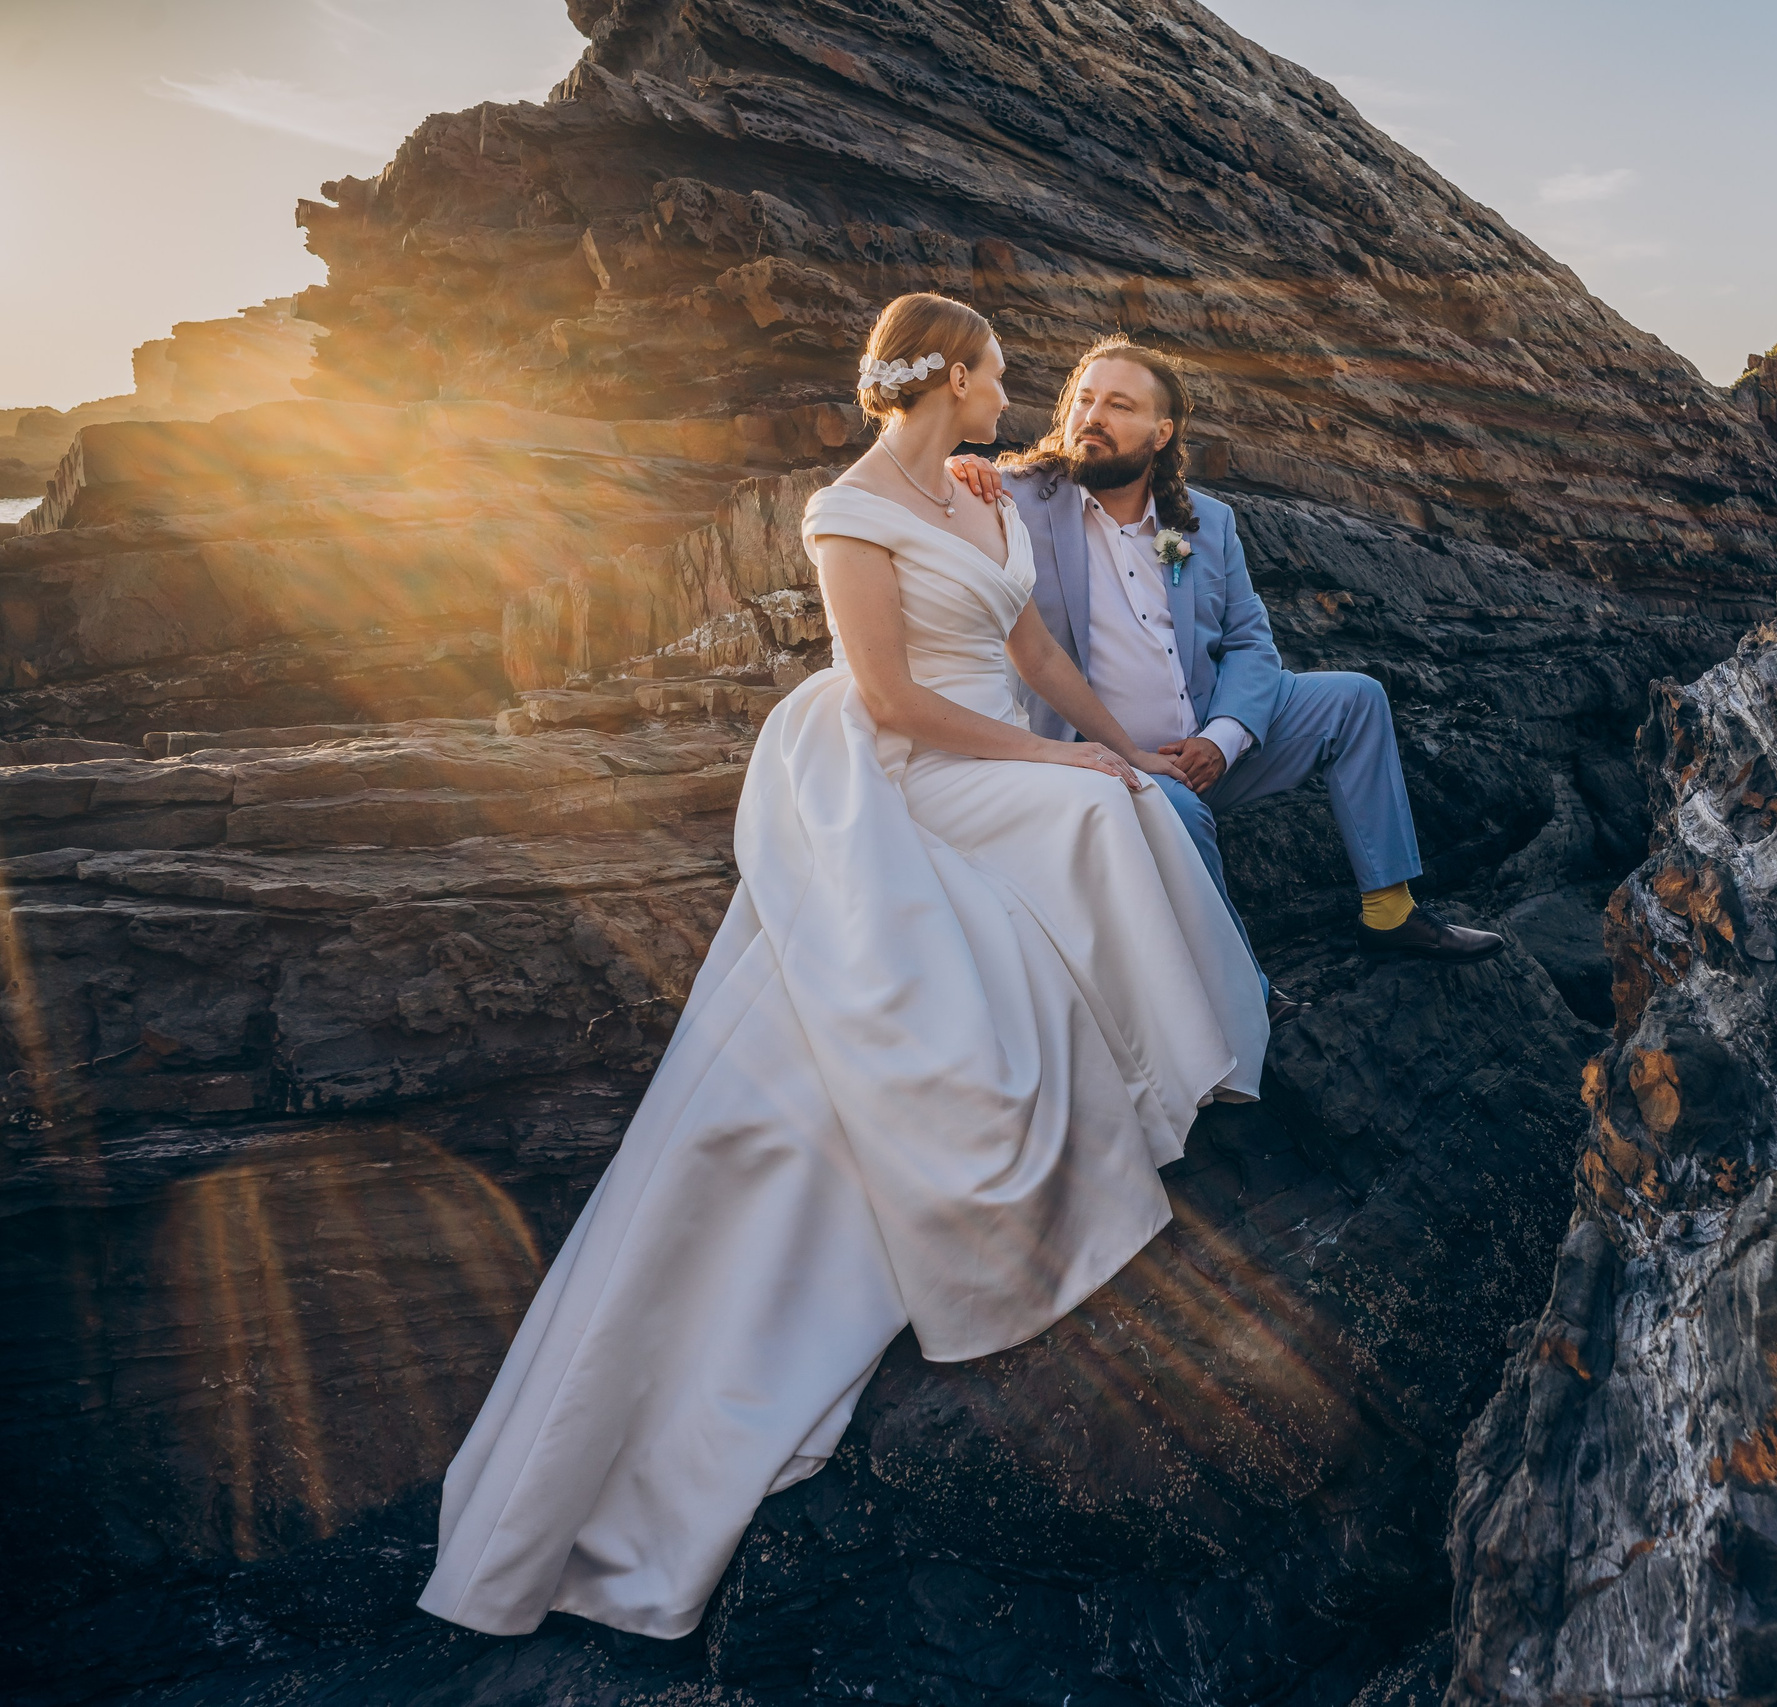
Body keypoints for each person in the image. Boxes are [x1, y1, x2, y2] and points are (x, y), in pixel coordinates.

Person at [417, 294, 1267, 1642]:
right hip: (923, 770)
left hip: (1008, 746)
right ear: (951, 379)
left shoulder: (979, 487)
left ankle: (1156, 1071)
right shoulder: (851, 511)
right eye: (999, 377)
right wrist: (1065, 759)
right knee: (1088, 819)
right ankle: (1113, 1081)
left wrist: (1124, 742)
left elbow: (1031, 645)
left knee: (1129, 807)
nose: (1017, 398)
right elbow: (888, 698)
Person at [948, 335, 1504, 1015]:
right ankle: (1249, 993)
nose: (1092, 415)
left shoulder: (1208, 521)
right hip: (1103, 764)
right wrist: (957, 470)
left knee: (1357, 700)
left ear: (1162, 431)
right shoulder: (1016, 499)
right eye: (1084, 399)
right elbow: (913, 483)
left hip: (1206, 738)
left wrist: (1224, 737)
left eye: (1119, 404)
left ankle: (1389, 911)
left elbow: (1250, 642)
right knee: (1178, 813)